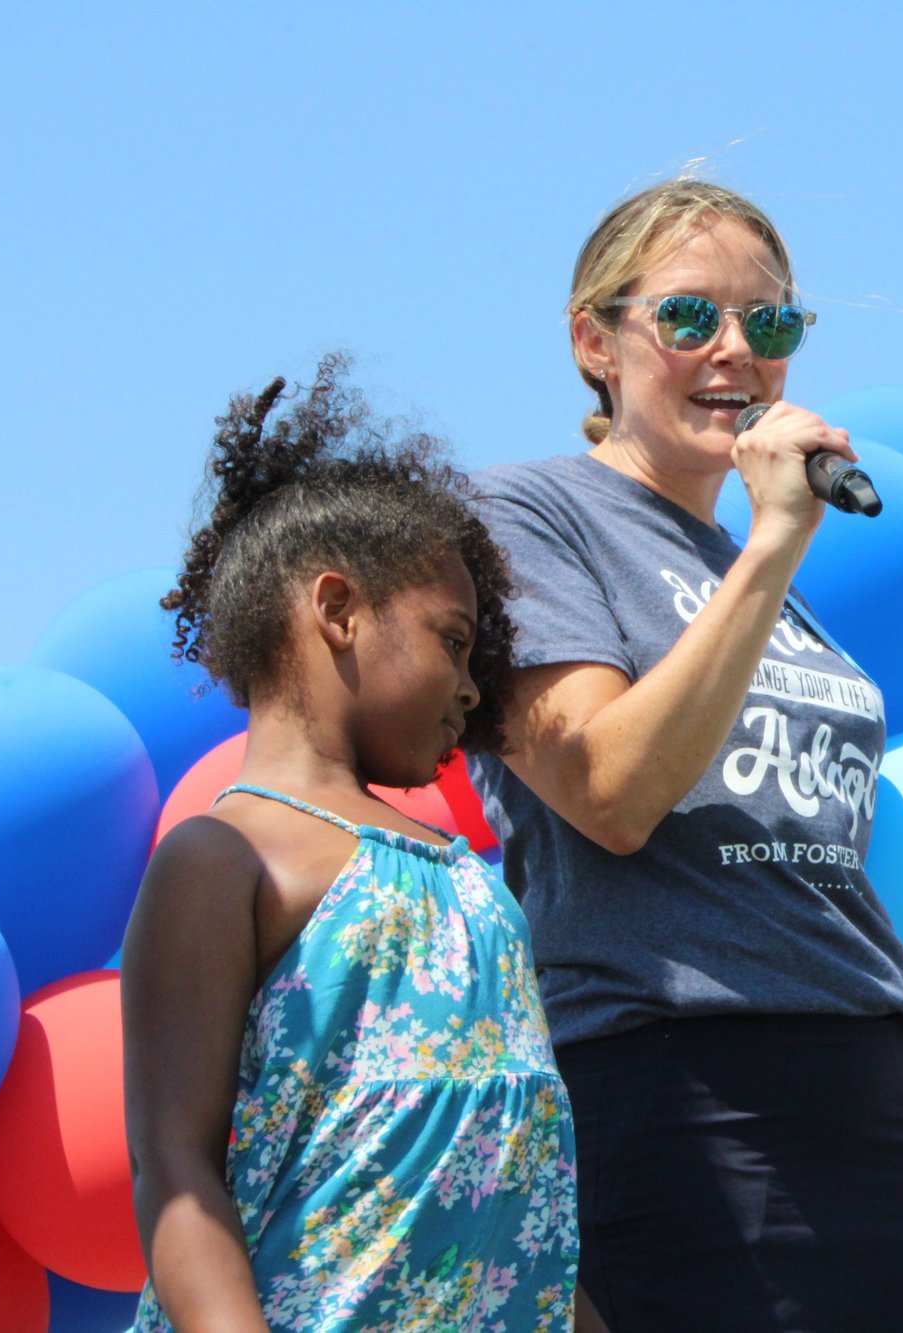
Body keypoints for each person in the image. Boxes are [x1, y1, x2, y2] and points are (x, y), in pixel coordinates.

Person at [467, 179, 903, 1331]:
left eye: (772, 325)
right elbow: (606, 790)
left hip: (872, 1092)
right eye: (691, 318)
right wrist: (773, 547)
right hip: (681, 1083)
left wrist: (760, 558)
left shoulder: (769, 587)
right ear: (594, 341)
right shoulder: (526, 516)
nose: (735, 352)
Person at [122, 357, 589, 1332]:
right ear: (336, 610)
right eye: (453, 641)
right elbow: (174, 1165)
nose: (472, 686)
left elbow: (516, 1151)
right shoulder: (221, 859)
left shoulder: (471, 875)